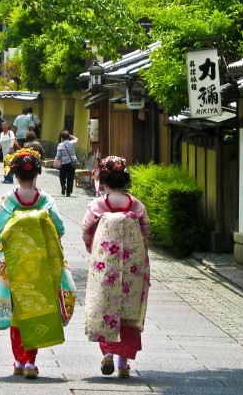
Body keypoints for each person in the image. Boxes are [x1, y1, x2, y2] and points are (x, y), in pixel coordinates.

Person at [0, 149, 76, 380]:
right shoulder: (45, 199)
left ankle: (18, 360)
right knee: (34, 307)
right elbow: (59, 228)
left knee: (18, 311)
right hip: (39, 264)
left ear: (15, 175)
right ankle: (30, 362)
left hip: (13, 263)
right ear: (37, 173)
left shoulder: (8, 200)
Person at [81, 156, 150, 379]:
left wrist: (94, 249)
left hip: (106, 263)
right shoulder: (136, 205)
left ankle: (108, 353)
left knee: (106, 304)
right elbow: (145, 230)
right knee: (128, 308)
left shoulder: (98, 205)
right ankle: (123, 362)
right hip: (133, 264)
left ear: (103, 181)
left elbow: (86, 229)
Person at [55, 130, 78, 197]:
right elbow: (76, 139)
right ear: (68, 137)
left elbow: (58, 156)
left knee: (62, 176)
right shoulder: (72, 143)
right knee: (70, 178)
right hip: (71, 163)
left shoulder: (60, 145)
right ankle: (68, 192)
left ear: (62, 137)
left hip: (63, 163)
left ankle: (63, 185)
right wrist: (71, 136)